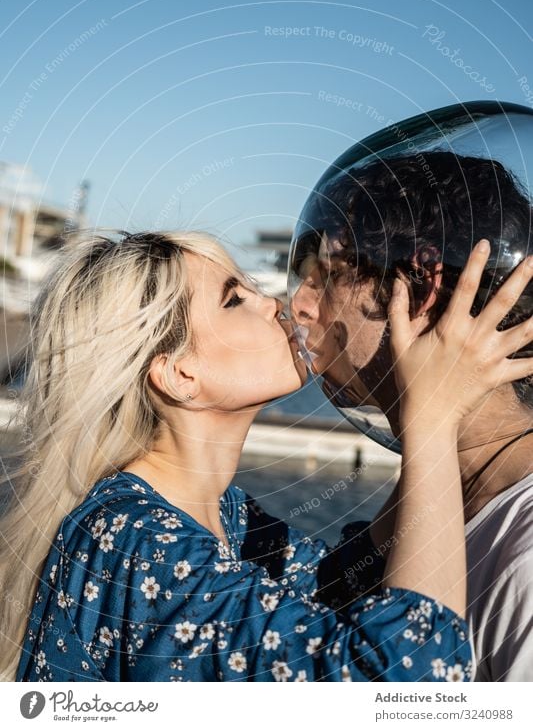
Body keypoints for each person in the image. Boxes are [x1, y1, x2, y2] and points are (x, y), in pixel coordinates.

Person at [2, 229, 532, 682]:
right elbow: (410, 678)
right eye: (235, 301)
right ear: (179, 374)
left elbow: (342, 584)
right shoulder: (130, 540)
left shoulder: (226, 516)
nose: (278, 305)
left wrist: (417, 390)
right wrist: (432, 421)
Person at [290, 151, 533, 681]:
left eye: (326, 274)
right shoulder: (444, 486)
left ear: (419, 285)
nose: (301, 305)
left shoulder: (526, 563)